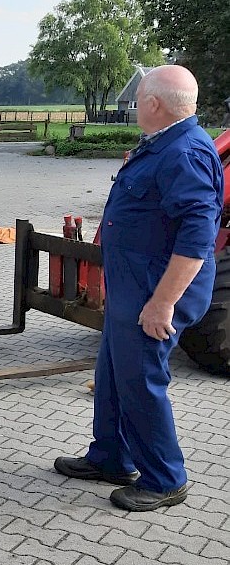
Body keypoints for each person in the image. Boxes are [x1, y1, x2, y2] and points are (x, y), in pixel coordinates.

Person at [54, 65, 223, 512]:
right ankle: (111, 456)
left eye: (137, 100)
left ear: (152, 104)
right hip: (135, 289)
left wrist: (162, 305)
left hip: (156, 293)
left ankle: (166, 479)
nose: (131, 108)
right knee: (113, 374)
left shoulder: (184, 152)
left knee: (141, 382)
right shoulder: (164, 145)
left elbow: (196, 240)